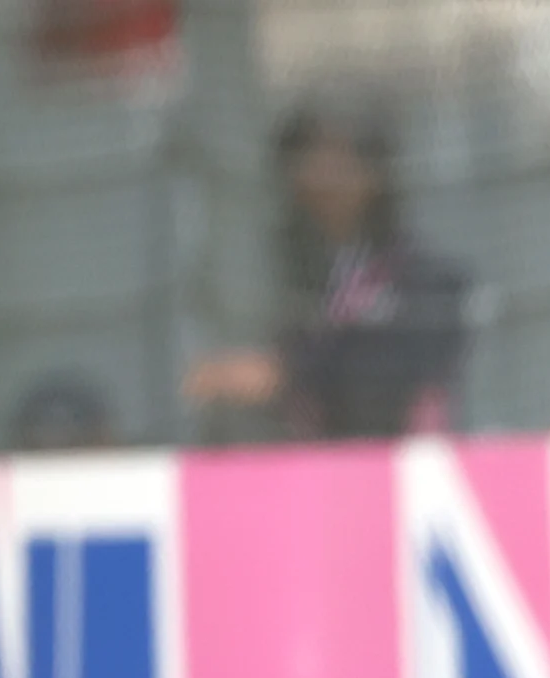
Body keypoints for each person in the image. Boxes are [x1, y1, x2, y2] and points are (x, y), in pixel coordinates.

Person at [181, 94, 470, 440]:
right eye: (305, 157)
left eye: (334, 156)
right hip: (302, 460)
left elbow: (389, 374)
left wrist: (285, 373)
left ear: (374, 174)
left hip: (392, 462)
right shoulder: (284, 269)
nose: (316, 174)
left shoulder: (422, 278)